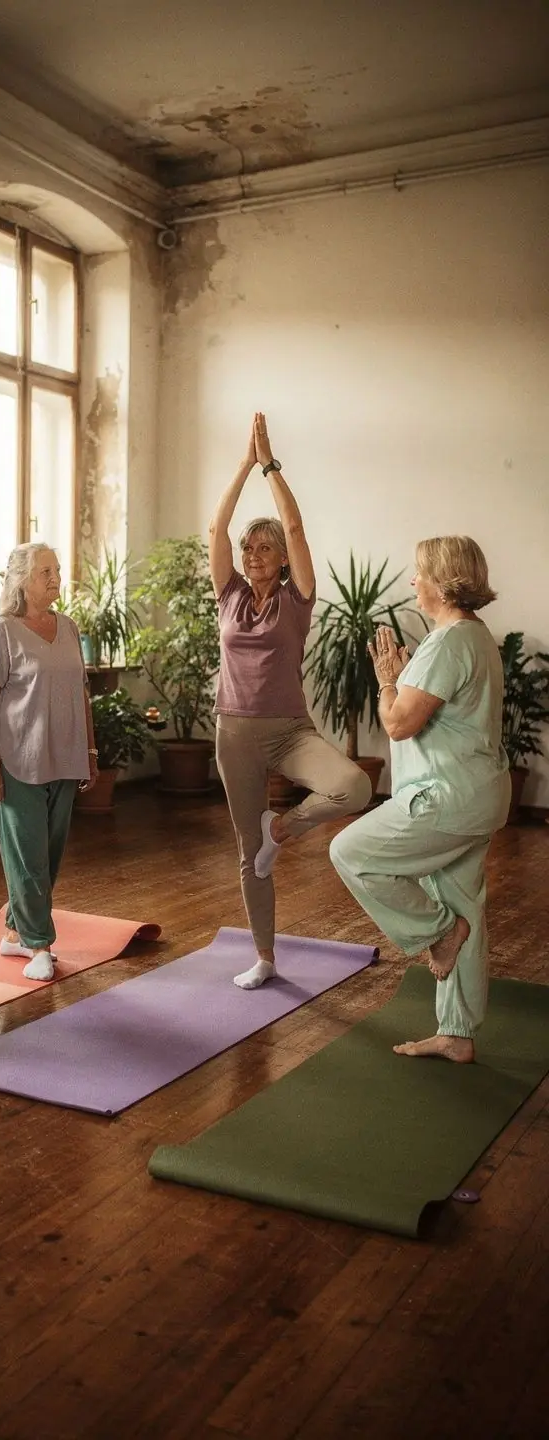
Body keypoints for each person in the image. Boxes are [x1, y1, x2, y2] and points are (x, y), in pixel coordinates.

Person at [329, 536, 510, 1062]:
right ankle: (456, 1032)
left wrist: (388, 681)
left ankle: (438, 933)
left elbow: (399, 722)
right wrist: (406, 676)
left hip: (448, 798)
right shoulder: (474, 638)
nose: (412, 581)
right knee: (461, 899)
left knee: (351, 852)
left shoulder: (450, 640)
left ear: (440, 580)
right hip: (478, 795)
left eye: (418, 572)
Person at [209, 413, 371, 990]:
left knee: (354, 787)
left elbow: (297, 528)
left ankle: (285, 829)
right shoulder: (227, 592)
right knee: (247, 854)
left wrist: (270, 464)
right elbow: (216, 528)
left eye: (264, 547)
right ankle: (265, 957)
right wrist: (242, 464)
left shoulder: (297, 599)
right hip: (233, 734)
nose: (253, 553)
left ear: (281, 559)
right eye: (249, 546)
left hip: (289, 730)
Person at [0, 542, 98, 983]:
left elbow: (81, 693)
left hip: (64, 756)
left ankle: (15, 931)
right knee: (28, 856)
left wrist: (91, 750)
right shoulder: (1, 631)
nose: (55, 577)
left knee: (49, 853)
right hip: (17, 760)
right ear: (21, 580)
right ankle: (40, 945)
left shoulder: (67, 627)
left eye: (57, 569)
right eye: (46, 570)